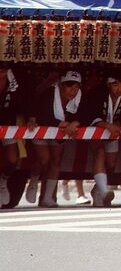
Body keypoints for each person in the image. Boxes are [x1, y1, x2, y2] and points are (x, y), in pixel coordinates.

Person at [25, 70, 83, 208]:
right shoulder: (49, 94)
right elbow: (42, 114)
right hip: (41, 128)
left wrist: (76, 122)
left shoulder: (80, 97)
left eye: (76, 87)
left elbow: (84, 113)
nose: (73, 91)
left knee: (55, 160)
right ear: (62, 85)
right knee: (44, 159)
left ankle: (47, 197)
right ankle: (33, 181)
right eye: (69, 86)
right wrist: (59, 123)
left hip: (60, 132)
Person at [77, 74, 121, 207]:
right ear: (108, 85)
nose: (120, 89)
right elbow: (90, 114)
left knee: (111, 163)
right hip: (96, 128)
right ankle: (104, 190)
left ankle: (98, 189)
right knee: (99, 152)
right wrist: (106, 125)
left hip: (113, 132)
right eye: (116, 85)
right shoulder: (98, 93)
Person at [0, 66, 24, 206]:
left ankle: (3, 180)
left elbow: (22, 99)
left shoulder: (13, 81)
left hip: (8, 125)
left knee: (13, 159)